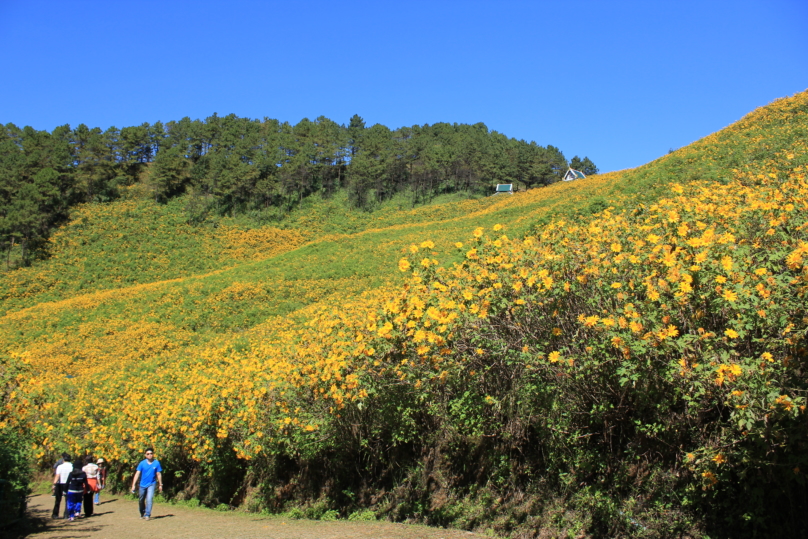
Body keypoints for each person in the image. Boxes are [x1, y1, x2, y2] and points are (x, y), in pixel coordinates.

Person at [130, 447, 163, 520]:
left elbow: (158, 474)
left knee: (149, 499)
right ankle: (142, 512)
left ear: (153, 454)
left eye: (151, 453)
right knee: (141, 500)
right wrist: (133, 485)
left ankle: (147, 514)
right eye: (148, 454)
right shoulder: (142, 463)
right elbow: (137, 474)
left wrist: (160, 484)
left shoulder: (156, 463)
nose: (150, 455)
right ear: (145, 455)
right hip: (142, 484)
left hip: (152, 484)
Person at [52, 454, 73, 519]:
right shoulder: (72, 466)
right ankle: (66, 514)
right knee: (68, 500)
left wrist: (54, 484)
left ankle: (55, 514)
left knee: (58, 500)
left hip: (60, 484)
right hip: (69, 484)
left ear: (63, 459)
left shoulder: (60, 466)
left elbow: (57, 476)